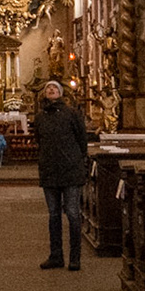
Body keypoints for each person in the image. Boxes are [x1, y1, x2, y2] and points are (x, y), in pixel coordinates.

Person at [34, 78, 87, 270]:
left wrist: (78, 159)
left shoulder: (72, 114)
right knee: (54, 215)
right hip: (49, 170)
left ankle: (75, 257)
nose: (51, 90)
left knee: (73, 213)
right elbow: (38, 140)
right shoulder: (40, 117)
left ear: (60, 93)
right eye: (48, 88)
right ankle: (56, 256)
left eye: (54, 88)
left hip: (70, 169)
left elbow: (82, 139)